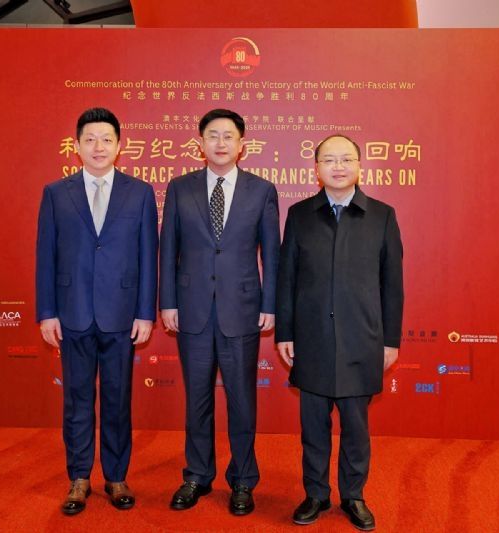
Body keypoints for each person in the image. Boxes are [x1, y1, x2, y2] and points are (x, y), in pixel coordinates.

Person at [275, 134, 404, 531]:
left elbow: (392, 284)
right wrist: (285, 333)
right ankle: (315, 494)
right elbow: (286, 279)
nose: (338, 166)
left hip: (361, 339)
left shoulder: (382, 216)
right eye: (329, 160)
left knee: (356, 428)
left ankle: (353, 495)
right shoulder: (299, 215)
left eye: (346, 159)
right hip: (311, 338)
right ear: (316, 168)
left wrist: (390, 340)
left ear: (359, 165)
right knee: (313, 428)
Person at [35, 107, 158, 515]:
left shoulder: (140, 193)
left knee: (118, 399)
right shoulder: (56, 193)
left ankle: (117, 476)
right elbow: (46, 256)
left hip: (121, 315)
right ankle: (79, 477)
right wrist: (47, 312)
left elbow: (148, 256)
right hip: (72, 313)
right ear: (76, 146)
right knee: (77, 399)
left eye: (106, 139)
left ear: (120, 146)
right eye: (90, 139)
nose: (98, 147)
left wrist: (145, 313)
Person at [159, 108, 279, 516]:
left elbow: (272, 254)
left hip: (241, 310)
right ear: (201, 143)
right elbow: (168, 249)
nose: (221, 142)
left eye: (229, 136)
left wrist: (269, 304)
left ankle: (243, 479)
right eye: (213, 135)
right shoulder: (180, 187)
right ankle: (197, 474)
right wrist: (168, 302)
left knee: (242, 401)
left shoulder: (261, 190)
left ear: (242, 144)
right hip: (191, 309)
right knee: (197, 399)